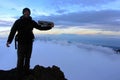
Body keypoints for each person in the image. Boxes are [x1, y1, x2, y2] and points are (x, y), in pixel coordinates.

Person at [6, 8, 54, 74]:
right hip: (21, 43)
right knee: (20, 59)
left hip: (29, 43)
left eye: (28, 12)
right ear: (23, 13)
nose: (26, 13)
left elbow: (40, 27)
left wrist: (49, 27)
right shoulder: (18, 22)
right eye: (25, 12)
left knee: (28, 58)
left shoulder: (32, 22)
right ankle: (19, 73)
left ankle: (26, 72)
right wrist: (9, 41)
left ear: (29, 13)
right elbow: (13, 31)